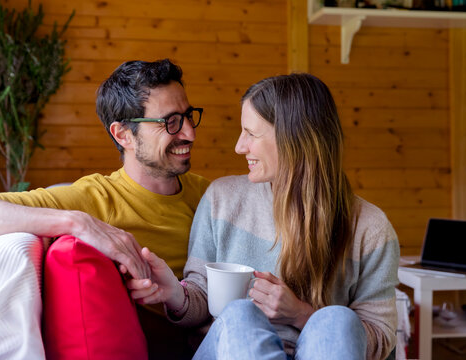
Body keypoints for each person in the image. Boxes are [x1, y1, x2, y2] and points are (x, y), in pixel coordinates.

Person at [127, 73, 400, 360]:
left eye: (251, 134)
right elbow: (202, 302)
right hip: (230, 349)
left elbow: (380, 336)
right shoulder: (222, 199)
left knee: (339, 321)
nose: (239, 146)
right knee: (240, 313)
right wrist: (174, 293)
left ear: (294, 139)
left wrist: (301, 315)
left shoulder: (370, 227)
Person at [0, 59, 210, 358]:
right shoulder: (95, 198)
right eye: (170, 121)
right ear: (123, 135)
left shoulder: (210, 196)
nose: (189, 133)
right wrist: (76, 223)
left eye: (188, 115)